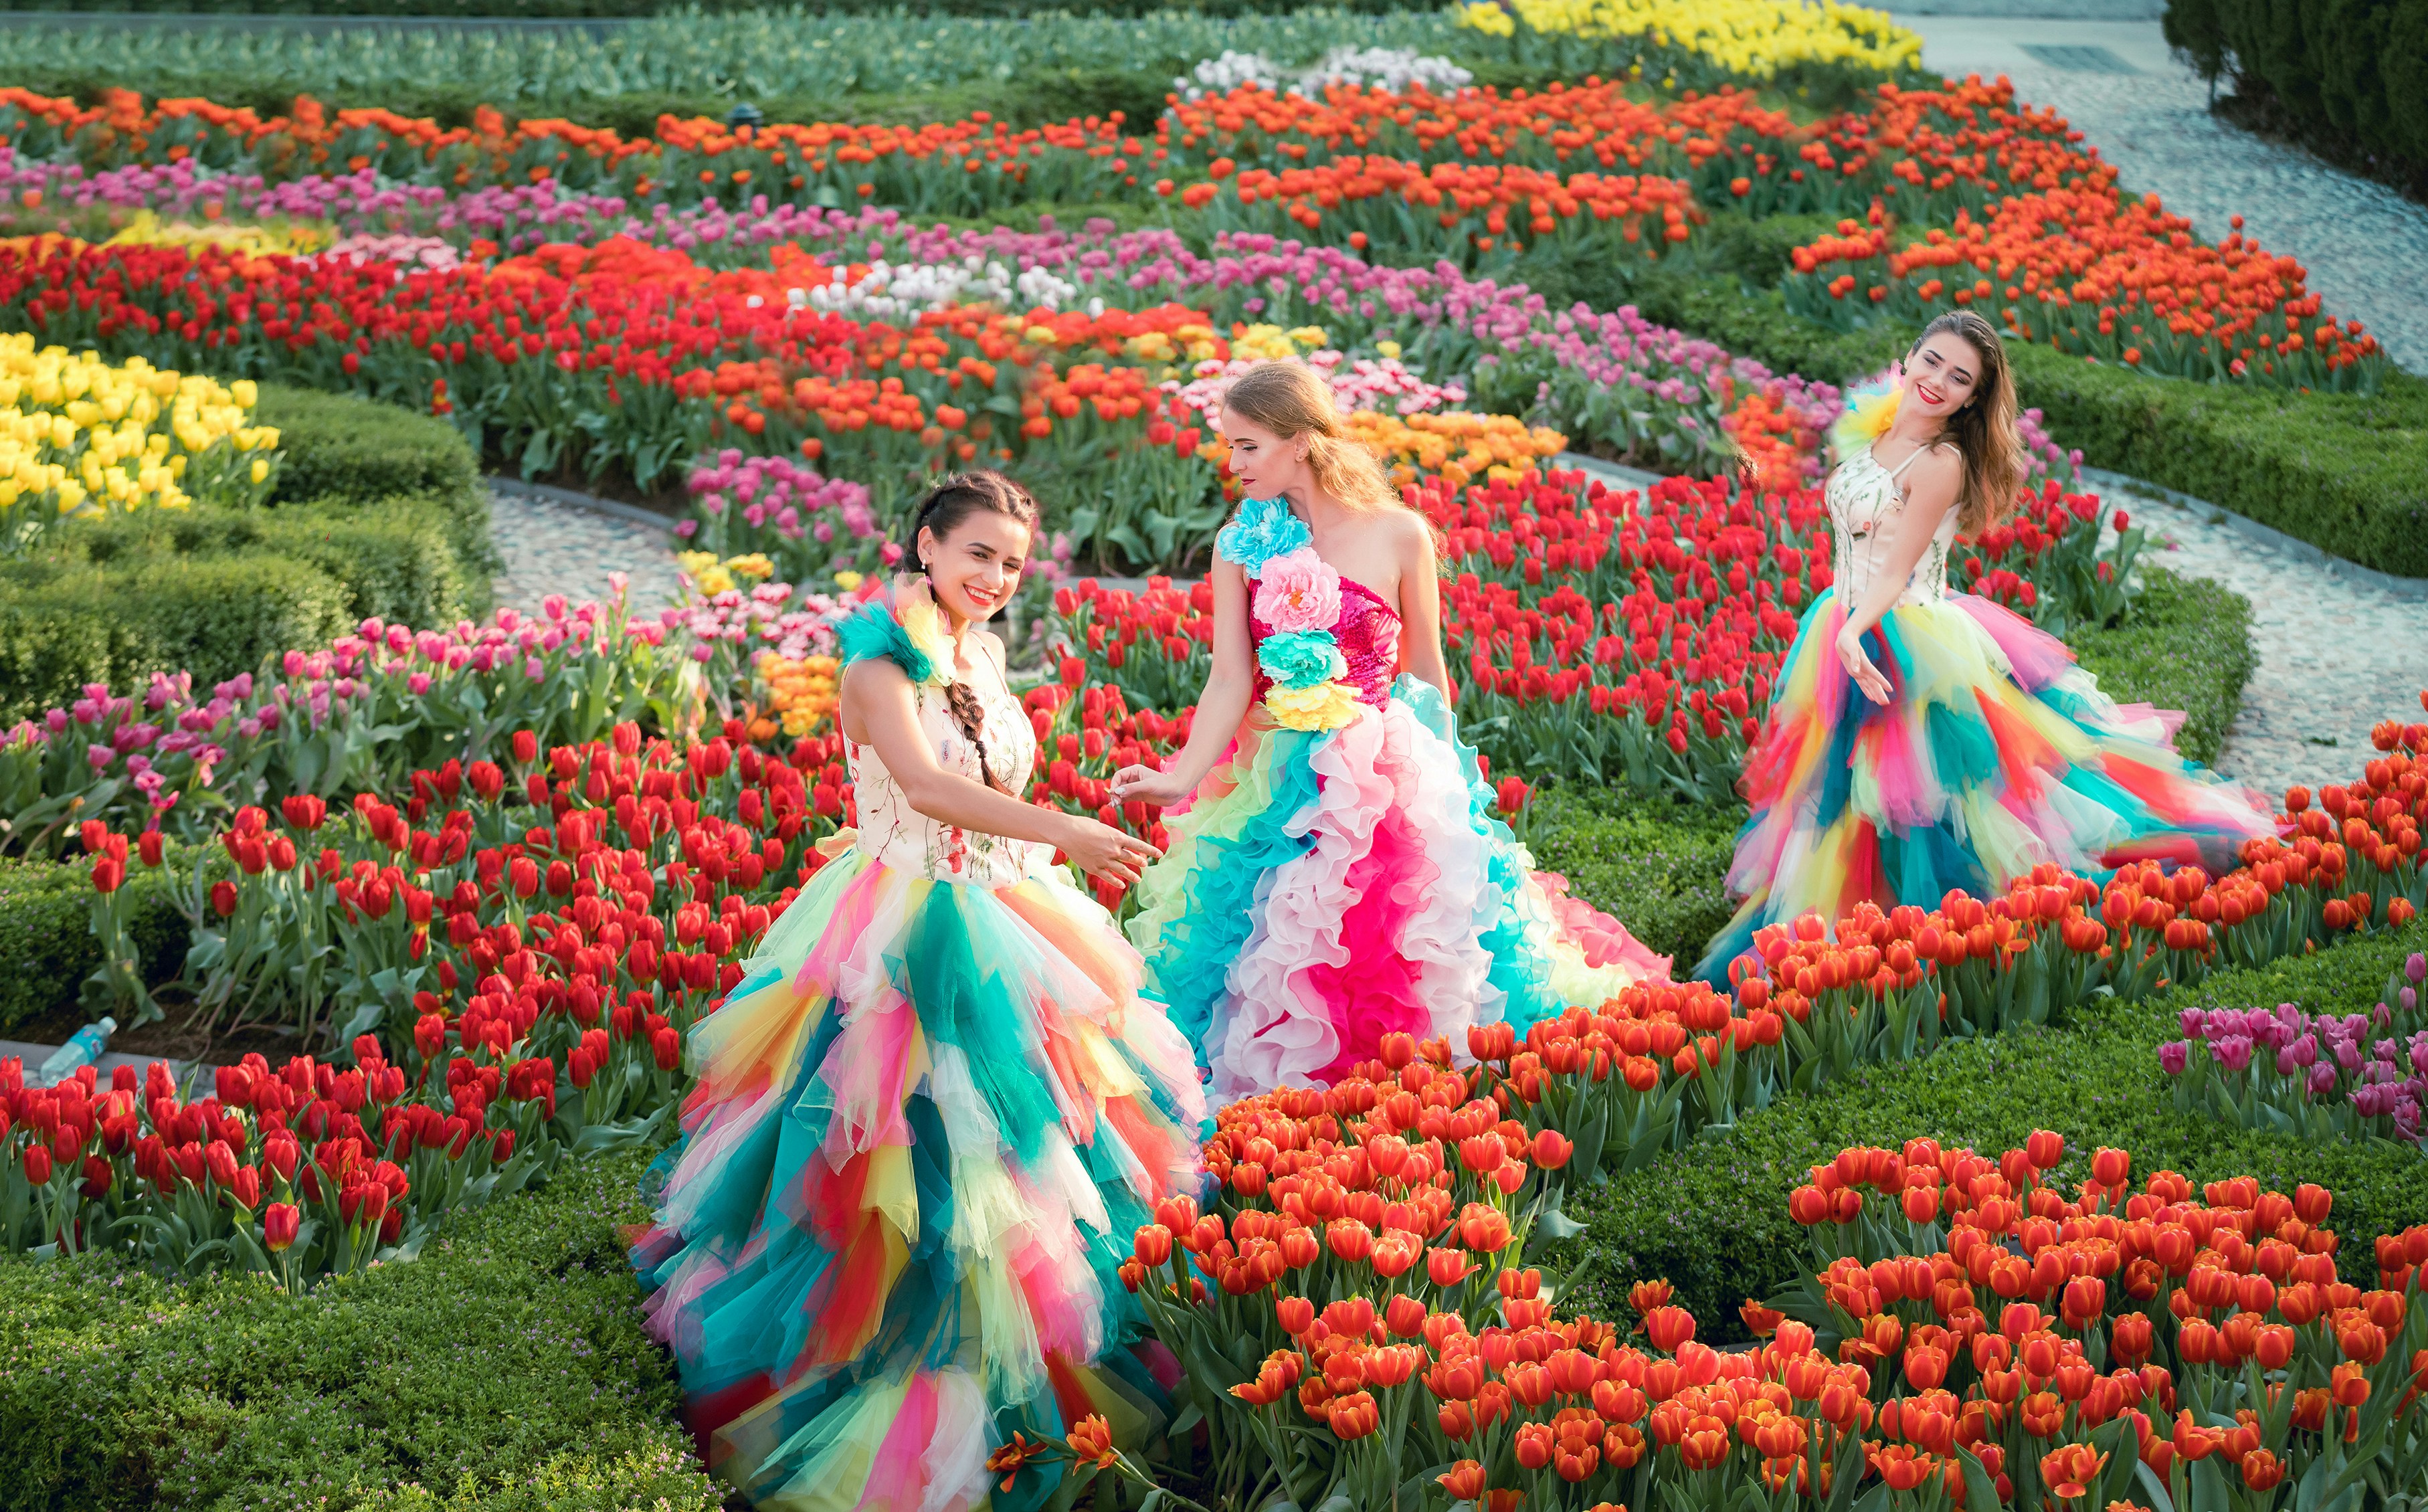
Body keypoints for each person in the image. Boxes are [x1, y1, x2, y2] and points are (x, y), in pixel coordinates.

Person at [630, 472, 1206, 1510]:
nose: (994, 579)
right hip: (905, 926)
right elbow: (933, 787)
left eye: (1013, 564)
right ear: (927, 545)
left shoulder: (977, 650)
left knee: (1028, 1149)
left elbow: (983, 783)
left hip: (1005, 909)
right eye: (978, 553)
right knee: (907, 1156)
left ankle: (1030, 1357)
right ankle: (887, 1368)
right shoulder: (874, 661)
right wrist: (1066, 832)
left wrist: (1051, 845)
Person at [1109, 359, 1669, 1098]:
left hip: (1387, 770)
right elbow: (1230, 678)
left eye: (1247, 446)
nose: (1233, 463)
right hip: (1280, 776)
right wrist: (1179, 775)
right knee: (1280, 944)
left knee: (1405, 940)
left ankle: (1414, 1094)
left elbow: (1428, 671)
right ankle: (1303, 1094)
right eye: (1230, 446)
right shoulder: (1236, 548)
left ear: (1300, 441)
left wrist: (1454, 788)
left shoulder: (1399, 533)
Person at [1693, 310, 2278, 982]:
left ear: (1973, 398)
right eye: (1932, 362)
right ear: (1908, 359)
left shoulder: (1939, 461)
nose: (1939, 381)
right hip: (1839, 629)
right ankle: (1846, 932)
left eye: (1960, 377)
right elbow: (1846, 511)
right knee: (1843, 795)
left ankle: (1933, 941)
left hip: (1903, 636)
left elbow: (1896, 571)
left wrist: (1856, 630)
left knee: (1927, 798)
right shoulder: (1877, 432)